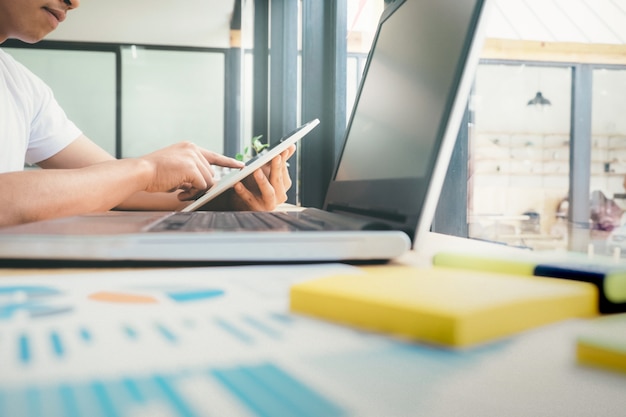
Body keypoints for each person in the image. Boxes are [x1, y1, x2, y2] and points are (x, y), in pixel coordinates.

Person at [0, 0, 295, 227]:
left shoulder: (22, 86)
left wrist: (228, 197)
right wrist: (145, 169)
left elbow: (115, 186)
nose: (75, 2)